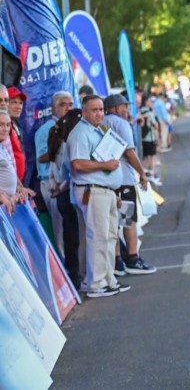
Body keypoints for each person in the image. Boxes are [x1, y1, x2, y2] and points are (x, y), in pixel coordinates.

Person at [67, 95, 129, 298]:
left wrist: (114, 189)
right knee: (99, 237)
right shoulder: (80, 133)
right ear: (84, 112)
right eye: (94, 110)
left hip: (105, 191)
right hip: (92, 190)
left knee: (110, 237)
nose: (99, 114)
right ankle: (96, 283)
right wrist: (104, 166)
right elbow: (77, 163)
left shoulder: (97, 130)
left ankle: (108, 279)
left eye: (101, 110)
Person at [102, 94, 156, 275]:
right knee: (128, 221)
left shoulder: (99, 122)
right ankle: (133, 258)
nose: (127, 110)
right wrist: (142, 173)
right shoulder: (120, 124)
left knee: (114, 223)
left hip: (106, 181)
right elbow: (130, 153)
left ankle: (117, 261)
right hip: (124, 180)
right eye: (124, 107)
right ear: (116, 108)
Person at [47, 109, 83, 287]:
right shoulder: (69, 144)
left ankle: (74, 274)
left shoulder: (57, 143)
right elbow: (71, 174)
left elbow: (52, 173)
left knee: (69, 237)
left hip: (60, 194)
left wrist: (55, 188)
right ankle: (76, 276)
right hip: (67, 194)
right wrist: (60, 188)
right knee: (74, 238)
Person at [35, 91, 74, 254]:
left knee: (74, 226)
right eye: (63, 105)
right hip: (52, 184)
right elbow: (40, 158)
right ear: (53, 108)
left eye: (70, 104)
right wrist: (58, 149)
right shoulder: (45, 130)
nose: (67, 108)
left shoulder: (75, 125)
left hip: (72, 181)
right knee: (59, 227)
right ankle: (64, 265)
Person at [139, 95, 162, 185]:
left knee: (146, 157)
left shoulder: (141, 111)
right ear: (146, 102)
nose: (152, 104)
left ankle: (146, 174)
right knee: (151, 157)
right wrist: (158, 137)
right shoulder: (150, 113)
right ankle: (150, 175)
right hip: (150, 137)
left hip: (143, 138)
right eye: (151, 102)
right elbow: (155, 125)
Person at [7, 86, 27, 181]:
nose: (18, 106)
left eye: (20, 103)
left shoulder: (16, 124)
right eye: (14, 102)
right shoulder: (4, 127)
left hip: (17, 183)